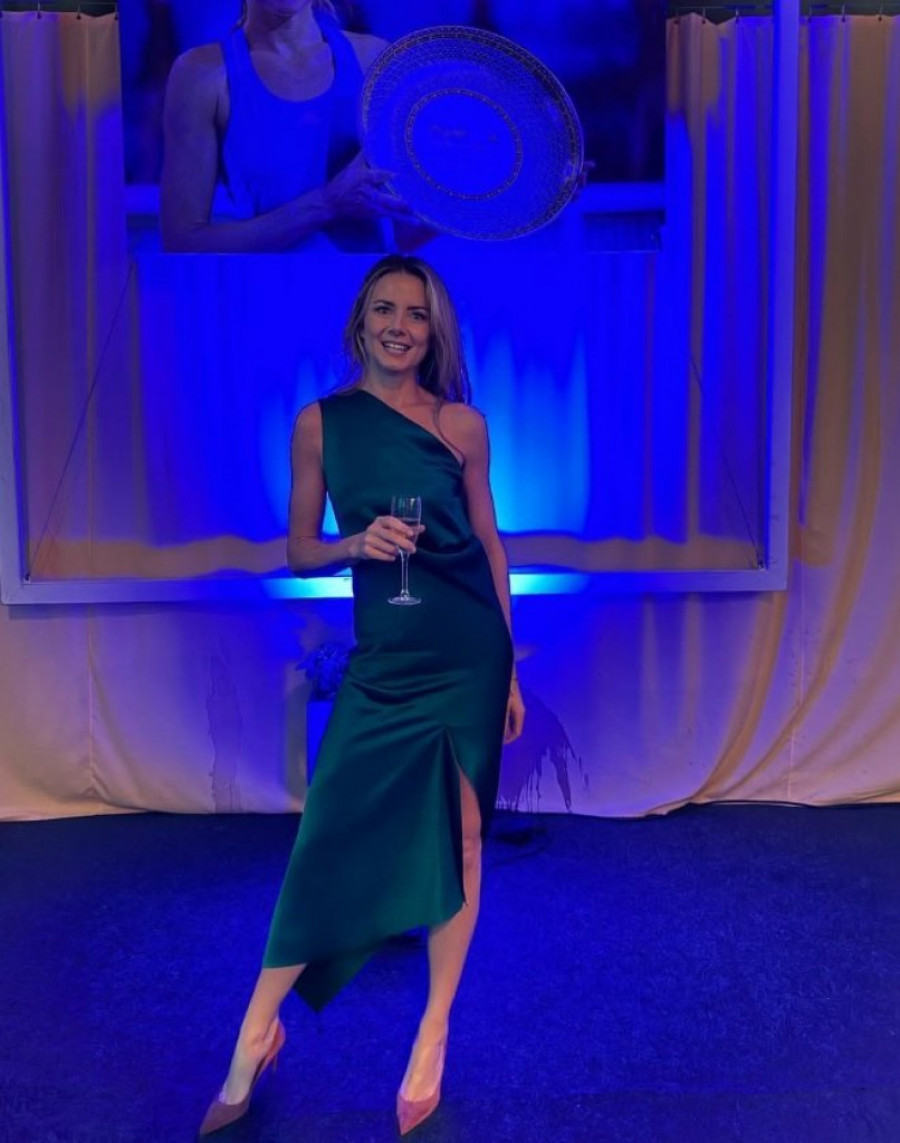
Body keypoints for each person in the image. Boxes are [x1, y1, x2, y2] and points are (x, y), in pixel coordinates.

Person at [199, 254, 526, 1136]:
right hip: (385, 659)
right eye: (384, 309)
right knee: (326, 836)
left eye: (415, 314)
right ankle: (257, 1028)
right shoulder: (320, 423)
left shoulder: (463, 425)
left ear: (433, 330)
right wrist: (356, 544)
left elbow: (491, 544)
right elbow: (300, 548)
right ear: (360, 322)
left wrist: (509, 667)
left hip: (467, 653)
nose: (398, 326)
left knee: (463, 839)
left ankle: (432, 1033)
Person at [160, 0, 417, 253]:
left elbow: (411, 223)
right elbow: (183, 240)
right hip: (264, 281)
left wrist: (435, 195)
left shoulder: (373, 59)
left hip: (371, 279)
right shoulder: (201, 74)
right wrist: (327, 203)